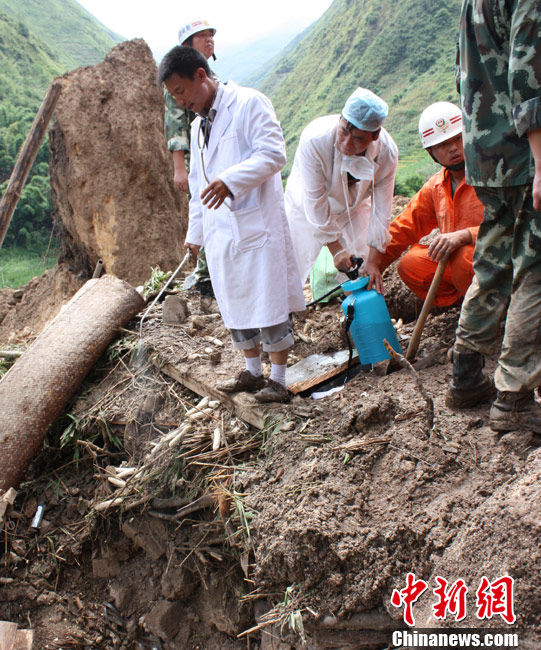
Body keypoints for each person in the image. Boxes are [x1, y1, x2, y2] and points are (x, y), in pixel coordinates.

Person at [157, 47, 305, 403]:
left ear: (200, 75)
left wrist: (230, 180)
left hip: (255, 225)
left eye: (181, 90)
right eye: (173, 95)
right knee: (236, 305)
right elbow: (196, 186)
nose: (180, 101)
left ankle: (279, 380)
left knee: (266, 302)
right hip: (220, 232)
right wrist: (195, 234)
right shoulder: (196, 127)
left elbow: (273, 154)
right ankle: (253, 373)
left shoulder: (250, 103)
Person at [448, 0, 541, 432]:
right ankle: (515, 399)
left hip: (485, 151)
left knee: (495, 260)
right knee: (535, 268)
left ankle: (466, 374)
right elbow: (528, 73)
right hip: (524, 153)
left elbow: (464, 70)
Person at [363, 102, 484, 305]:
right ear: (431, 152)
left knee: (464, 257)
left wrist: (466, 235)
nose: (453, 148)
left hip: (497, 257)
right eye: (443, 145)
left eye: (457, 139)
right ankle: (463, 303)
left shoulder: (491, 174)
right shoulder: (436, 187)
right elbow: (404, 227)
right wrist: (375, 263)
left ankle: (488, 308)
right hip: (461, 267)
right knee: (411, 264)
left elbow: (513, 222)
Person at [284, 87, 398, 288]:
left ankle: (359, 313)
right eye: (344, 131)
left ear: (374, 135)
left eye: (358, 138)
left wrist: (374, 261)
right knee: (290, 264)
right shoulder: (315, 140)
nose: (346, 143)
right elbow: (315, 200)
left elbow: (381, 211)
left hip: (354, 208)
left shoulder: (387, 153)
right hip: (305, 207)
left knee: (361, 267)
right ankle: (284, 314)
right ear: (341, 119)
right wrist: (336, 249)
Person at [164, 19, 217, 297]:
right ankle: (205, 277)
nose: (209, 40)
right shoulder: (178, 81)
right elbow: (175, 125)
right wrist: (179, 168)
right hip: (197, 160)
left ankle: (214, 273)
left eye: (211, 35)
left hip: (215, 157)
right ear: (187, 45)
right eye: (202, 36)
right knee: (205, 212)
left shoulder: (211, 77)